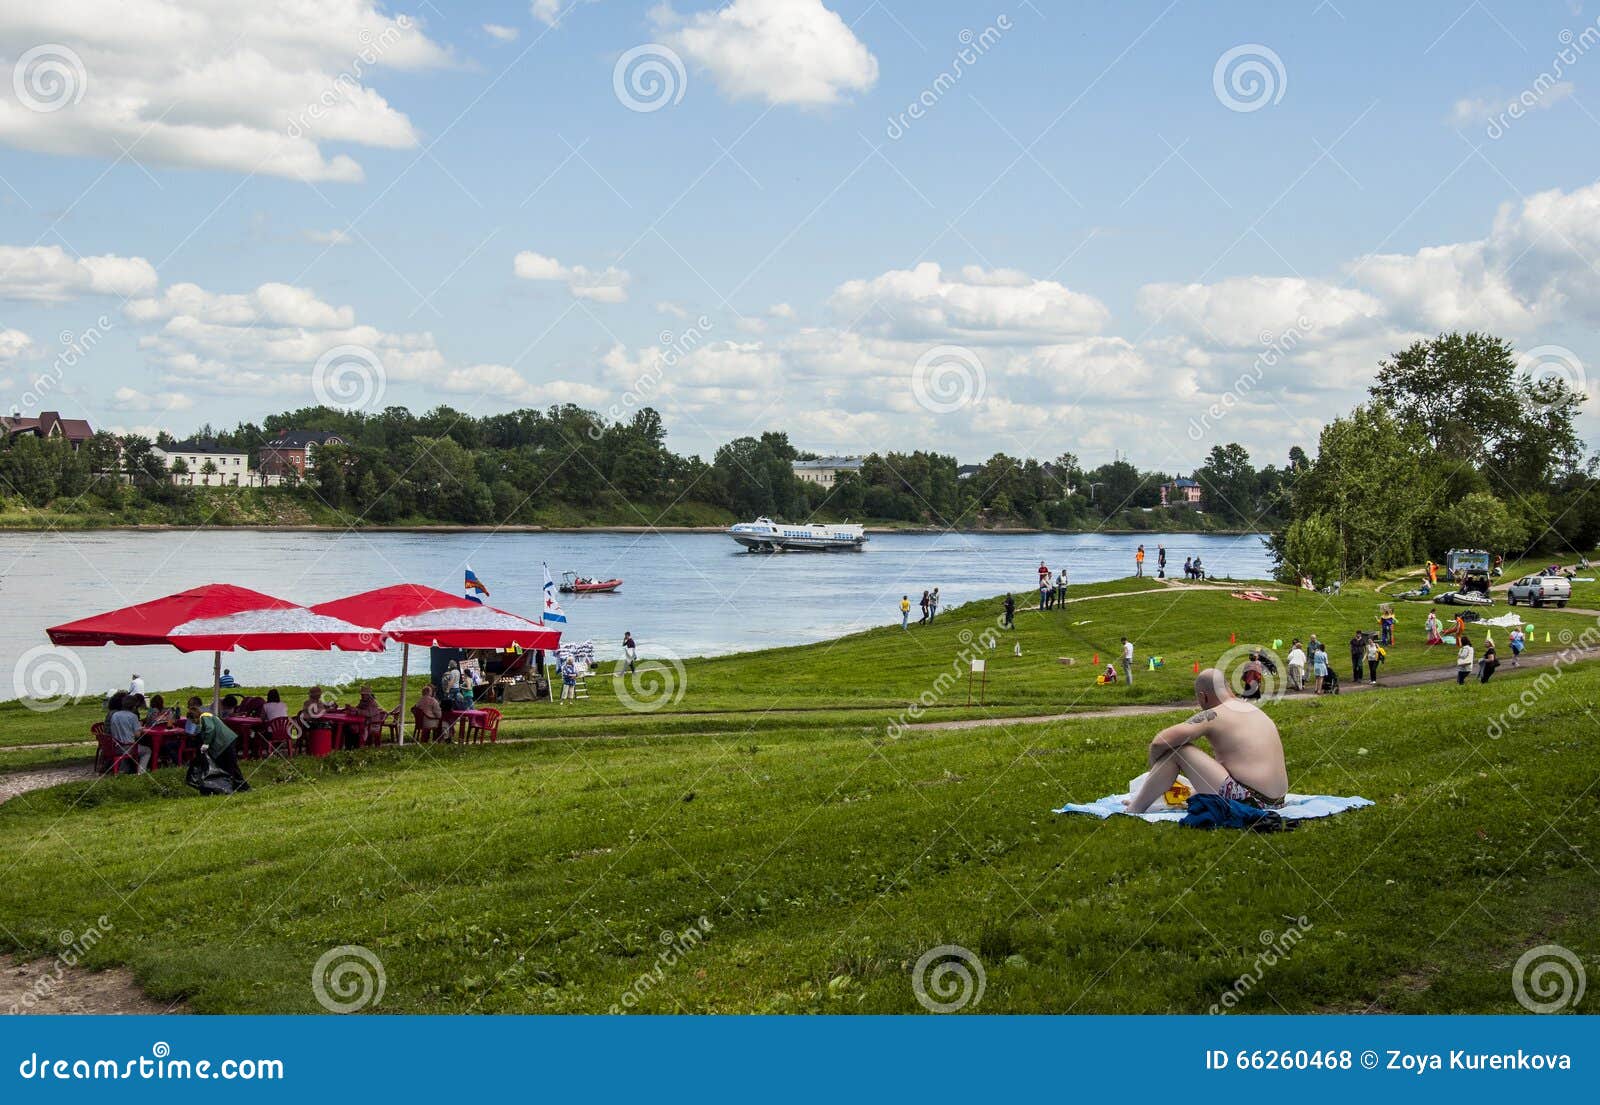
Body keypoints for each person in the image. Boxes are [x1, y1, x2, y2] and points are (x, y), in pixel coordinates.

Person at [1123, 668, 1288, 814]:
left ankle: (1135, 807)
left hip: (1252, 802)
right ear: (1228, 687)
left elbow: (1160, 741)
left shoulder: (1215, 714)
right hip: (1277, 803)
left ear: (1203, 697)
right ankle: (1145, 798)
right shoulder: (1253, 710)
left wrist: (1154, 770)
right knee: (1193, 785)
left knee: (1177, 750)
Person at [187, 697, 246, 791]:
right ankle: (233, 785)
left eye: (193, 721)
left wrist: (206, 744)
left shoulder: (204, 717)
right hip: (225, 742)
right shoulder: (205, 719)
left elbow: (210, 729)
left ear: (195, 717)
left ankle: (239, 786)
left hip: (226, 741)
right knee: (227, 765)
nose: (194, 723)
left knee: (230, 765)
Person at [106, 692, 149, 773]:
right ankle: (141, 772)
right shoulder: (133, 717)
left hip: (115, 747)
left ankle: (124, 769)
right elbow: (137, 735)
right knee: (147, 750)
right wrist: (139, 729)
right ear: (134, 706)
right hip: (128, 748)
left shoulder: (115, 715)